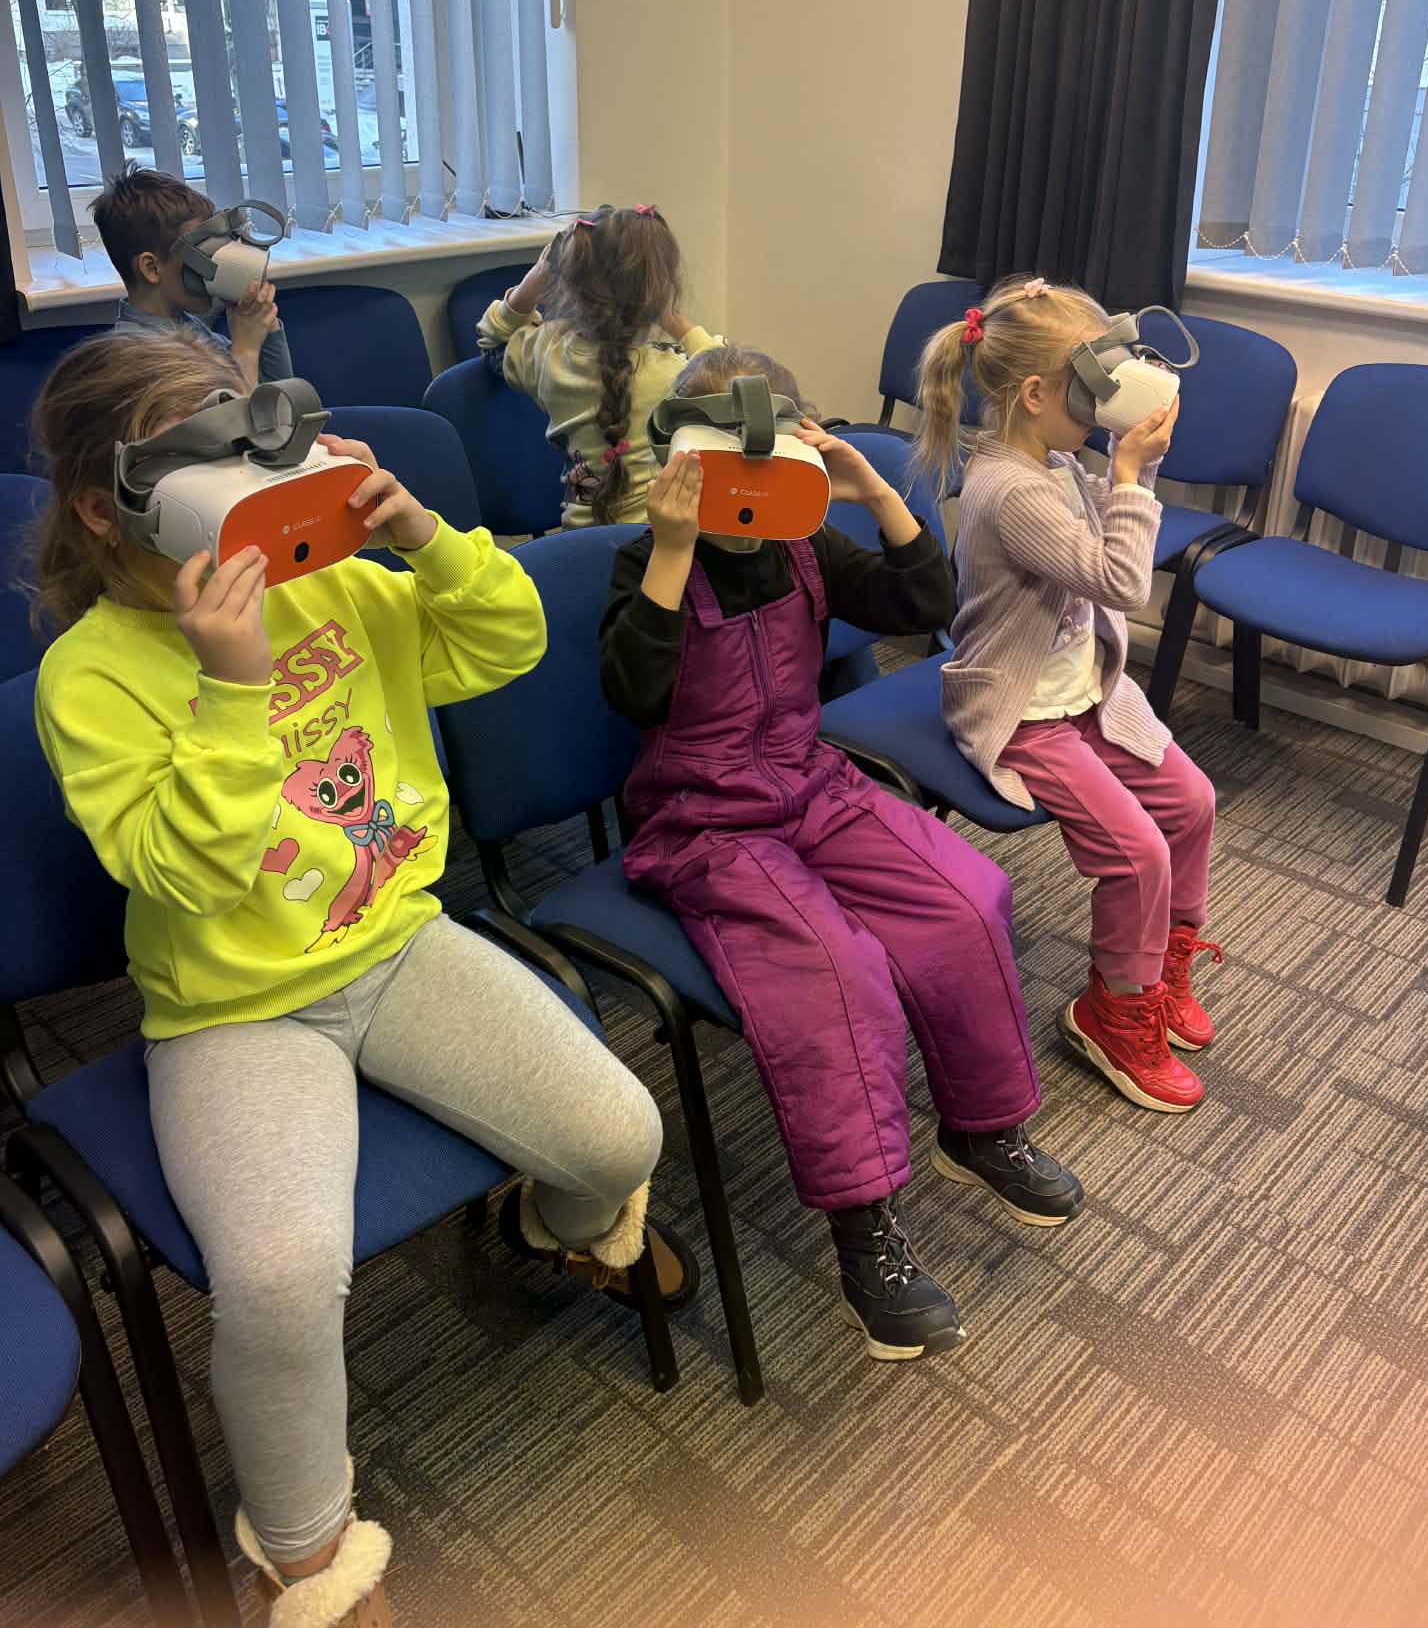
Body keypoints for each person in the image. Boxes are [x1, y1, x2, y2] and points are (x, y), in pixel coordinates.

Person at [31, 331, 675, 1628]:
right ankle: (305, 1550)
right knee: (279, 1282)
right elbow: (182, 875)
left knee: (621, 1137)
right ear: (108, 508)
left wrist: (423, 537)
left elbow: (503, 644)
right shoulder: (86, 677)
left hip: (394, 941)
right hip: (234, 1010)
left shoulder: (332, 585)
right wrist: (231, 689)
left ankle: (549, 1232)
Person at [601, 342, 1084, 1365]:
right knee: (835, 968)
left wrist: (874, 492)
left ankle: (979, 1126)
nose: (750, 498)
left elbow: (923, 603)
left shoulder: (806, 541)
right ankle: (866, 1229)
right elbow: (633, 693)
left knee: (966, 895)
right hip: (705, 819)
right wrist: (674, 549)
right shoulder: (648, 559)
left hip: (807, 781)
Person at [914, 276, 1221, 1116]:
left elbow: (1105, 550)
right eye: (1091, 396)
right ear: (1035, 395)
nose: (1100, 412)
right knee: (1139, 854)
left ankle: (1162, 969)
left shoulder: (1051, 462)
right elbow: (1121, 580)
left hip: (1084, 692)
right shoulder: (1009, 491)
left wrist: (1121, 462)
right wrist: (1131, 474)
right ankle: (1112, 1012)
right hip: (1022, 712)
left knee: (1192, 802)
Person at [477, 203, 721, 528]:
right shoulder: (675, 372)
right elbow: (729, 380)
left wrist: (533, 281)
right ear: (659, 291)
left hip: (577, 542)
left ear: (568, 283)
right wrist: (673, 318)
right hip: (659, 542)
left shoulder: (547, 351)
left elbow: (494, 343)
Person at [94, 163, 291, 388]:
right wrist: (245, 351)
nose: (215, 260)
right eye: (202, 250)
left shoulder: (187, 326)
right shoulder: (136, 357)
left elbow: (279, 398)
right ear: (152, 268)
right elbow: (229, 411)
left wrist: (266, 324)